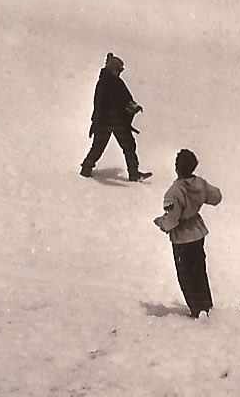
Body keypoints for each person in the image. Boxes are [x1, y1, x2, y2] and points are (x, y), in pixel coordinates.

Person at [154, 149, 223, 318]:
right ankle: (206, 305)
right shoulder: (200, 183)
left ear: (177, 168)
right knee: (199, 269)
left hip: (182, 236)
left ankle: (196, 309)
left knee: (186, 273)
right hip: (198, 231)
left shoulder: (174, 191)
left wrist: (161, 223)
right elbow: (216, 197)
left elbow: (172, 219)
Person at [80, 52, 152, 181]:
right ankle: (134, 174)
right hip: (117, 122)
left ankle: (86, 169)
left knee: (99, 147)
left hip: (105, 122)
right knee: (128, 146)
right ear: (113, 68)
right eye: (119, 69)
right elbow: (123, 100)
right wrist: (132, 107)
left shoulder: (105, 82)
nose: (120, 72)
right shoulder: (113, 83)